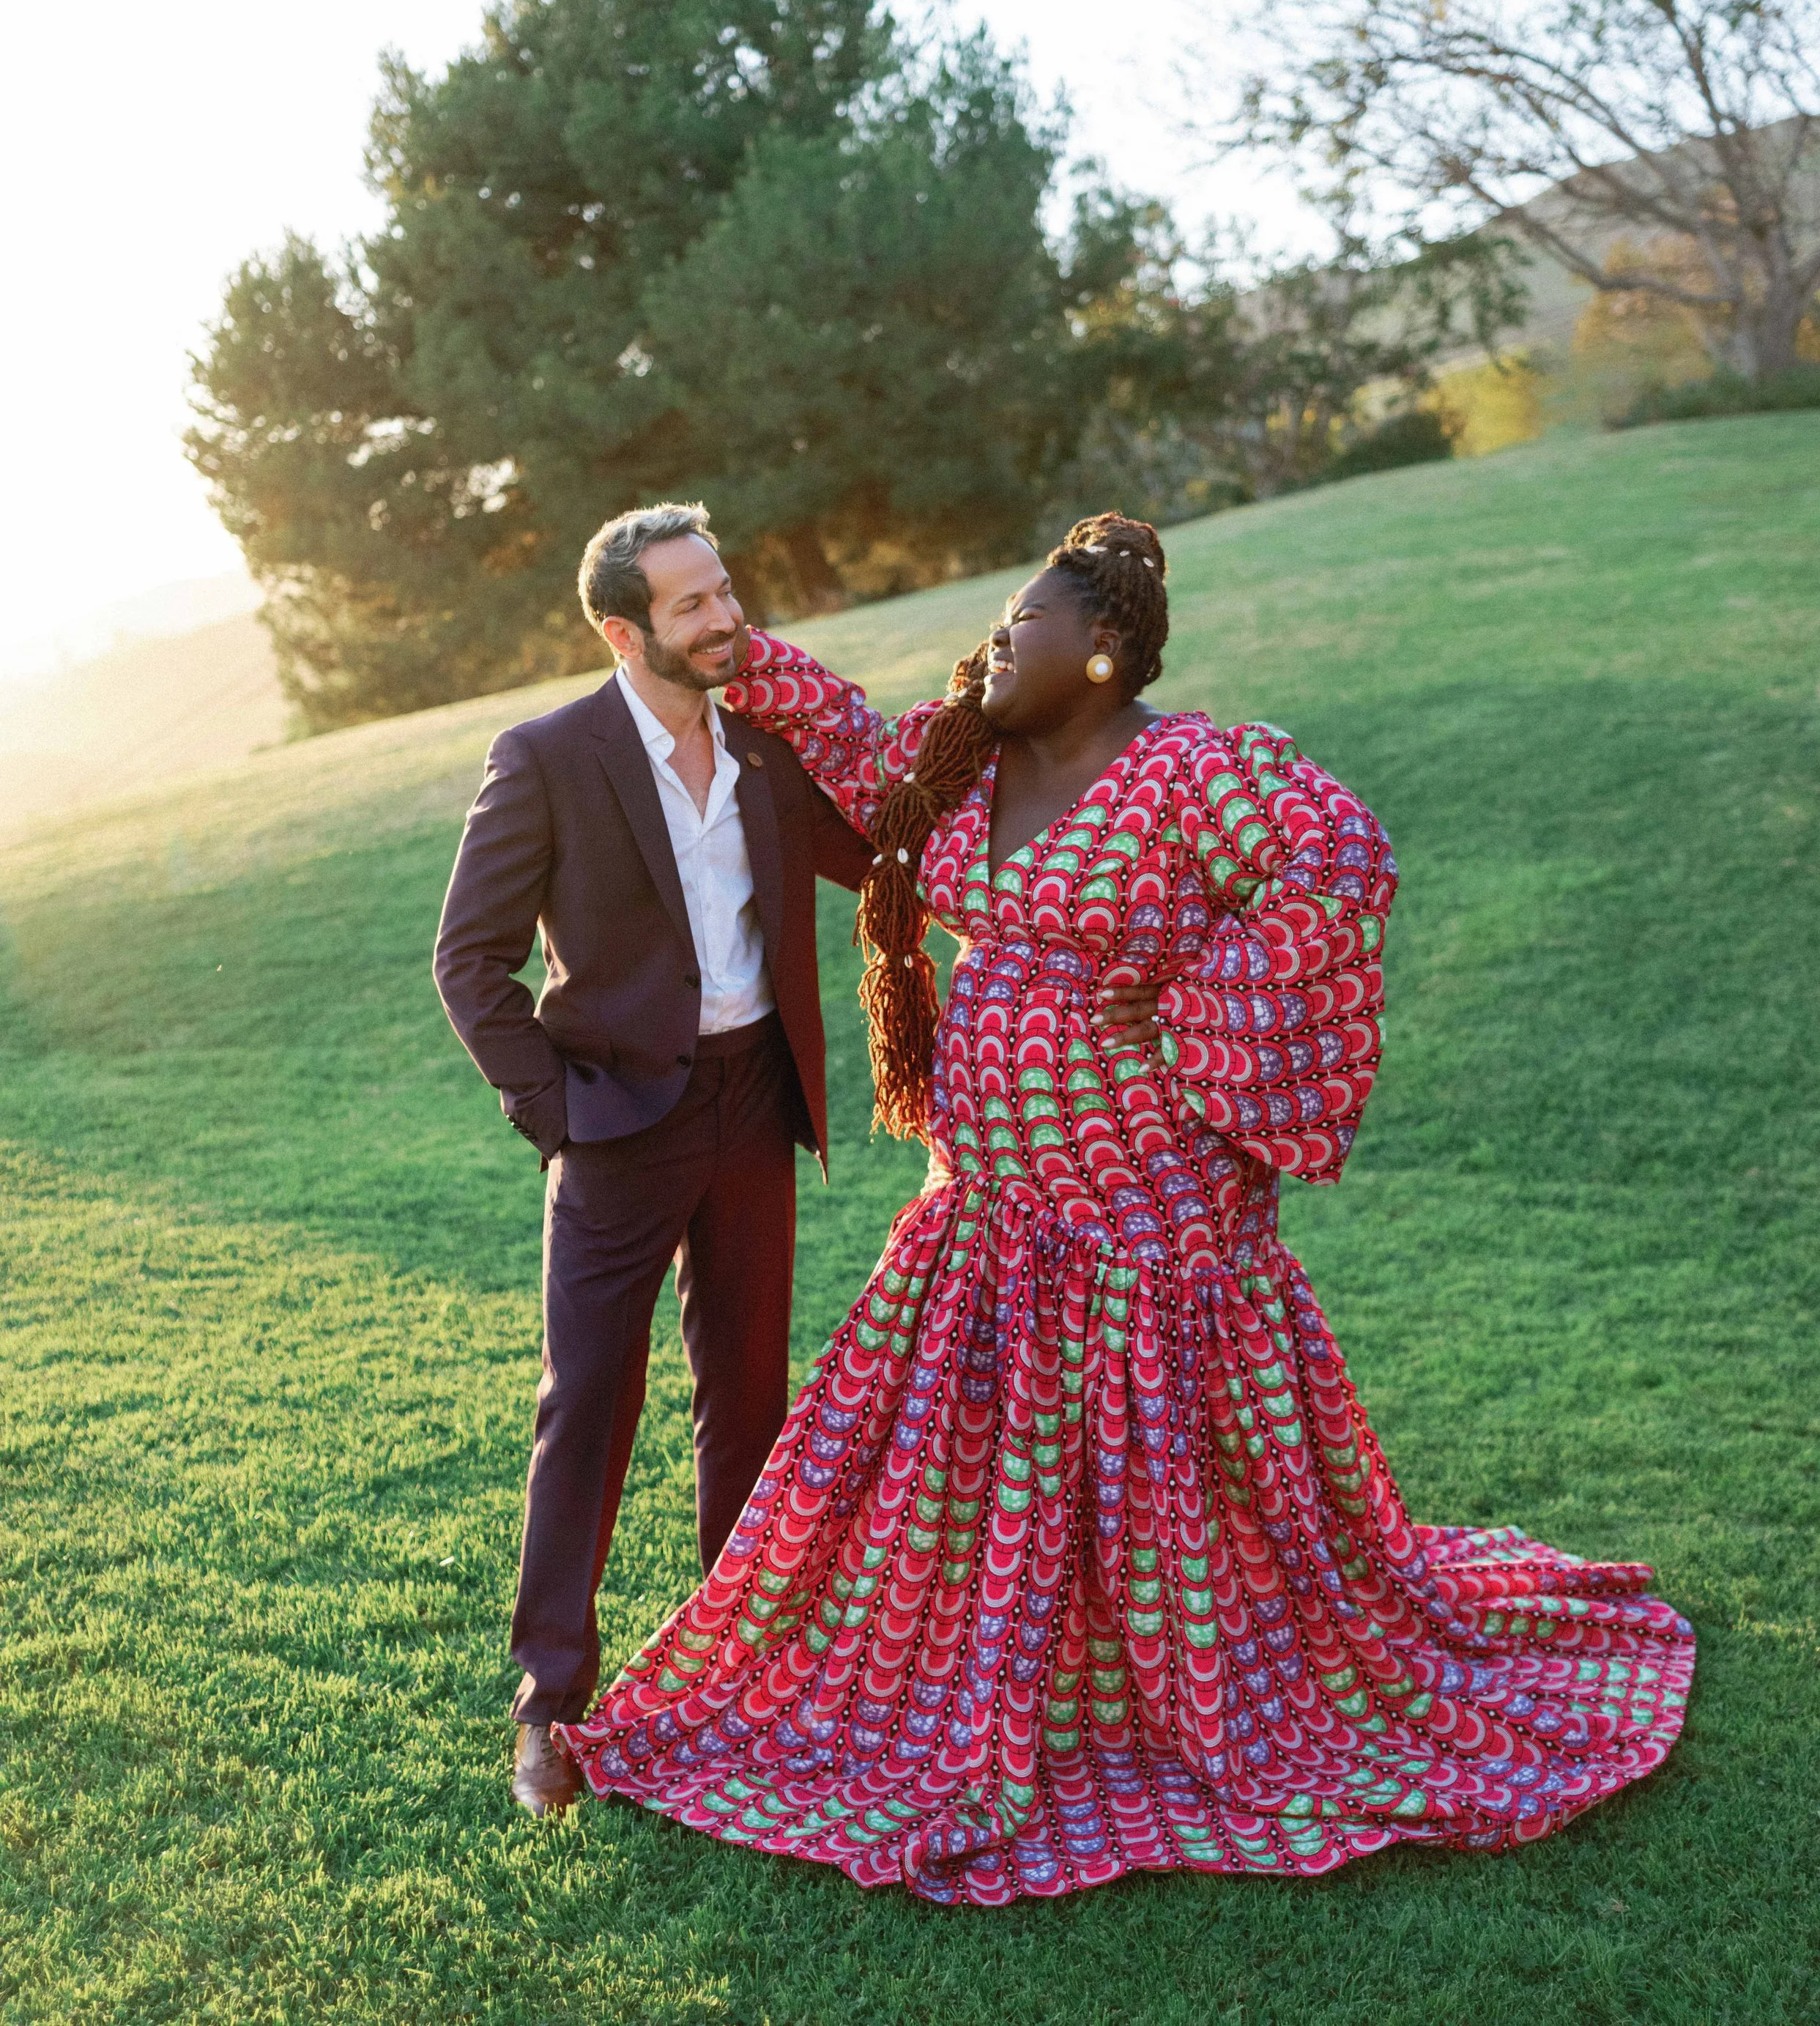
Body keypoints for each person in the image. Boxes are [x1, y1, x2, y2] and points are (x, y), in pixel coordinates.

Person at [556, 511, 1695, 1904]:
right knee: (963, 1466)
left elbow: (1339, 857)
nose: (995, 643)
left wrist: (1203, 1011)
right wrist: (734, 648)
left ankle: (1180, 1692)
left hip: (1149, 1225)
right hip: (985, 1216)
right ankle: (985, 1682)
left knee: (1161, 1475)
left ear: (1101, 653)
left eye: (1025, 623)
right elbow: (848, 739)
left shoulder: (1189, 773)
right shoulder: (961, 770)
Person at [434, 503, 873, 1818]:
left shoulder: (769, 741)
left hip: (755, 1100)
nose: (727, 615)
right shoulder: (549, 756)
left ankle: (740, 1671)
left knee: (748, 1398)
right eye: (692, 605)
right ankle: (551, 1710)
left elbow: (886, 857)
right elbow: (470, 961)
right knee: (591, 1406)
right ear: (626, 631)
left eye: (725, 589)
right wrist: (558, 1112)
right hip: (616, 1124)